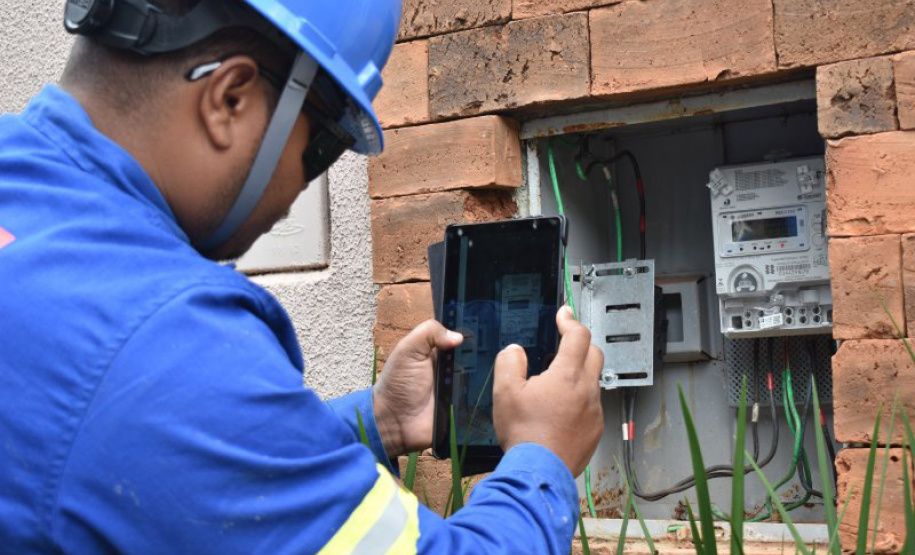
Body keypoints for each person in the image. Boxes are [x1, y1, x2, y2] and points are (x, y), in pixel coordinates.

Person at [0, 0, 605, 553]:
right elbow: (168, 405)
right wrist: (542, 457)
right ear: (229, 98)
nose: (298, 191)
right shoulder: (161, 339)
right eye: (324, 147)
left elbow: (151, 457)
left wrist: (380, 419)